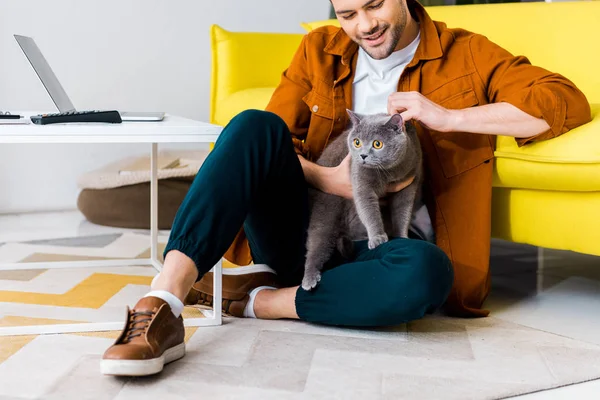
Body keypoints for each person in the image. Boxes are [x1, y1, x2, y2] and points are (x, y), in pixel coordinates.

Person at [100, 0, 591, 376]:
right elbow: (272, 144)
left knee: (427, 274)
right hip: (308, 233)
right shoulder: (320, 49)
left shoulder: (465, 53)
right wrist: (331, 179)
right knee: (252, 125)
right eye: (348, 13)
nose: (364, 26)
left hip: (390, 249)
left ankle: (261, 300)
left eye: (375, 4)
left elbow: (564, 100)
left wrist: (448, 115)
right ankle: (163, 303)